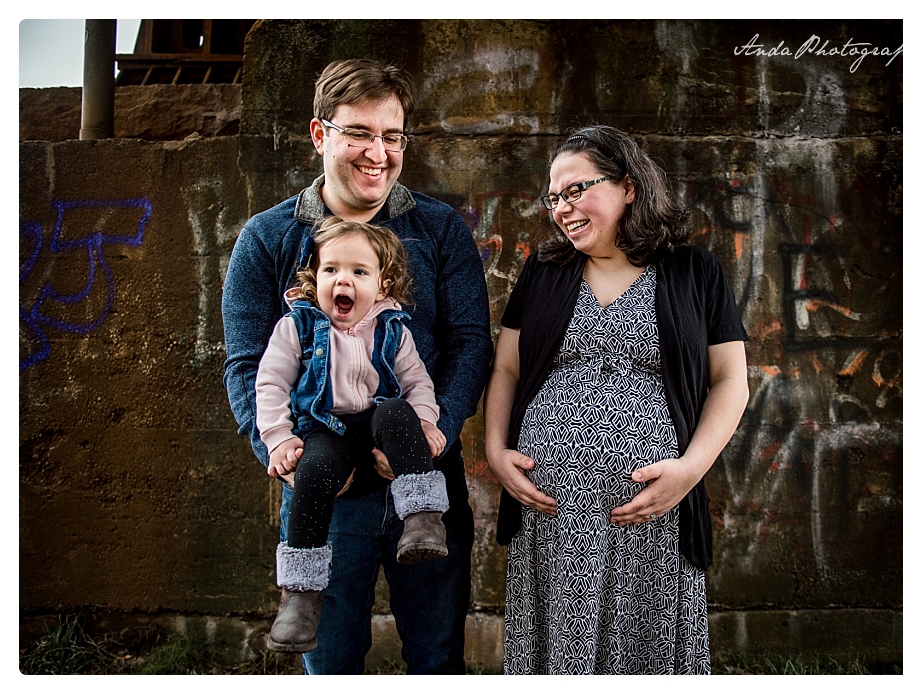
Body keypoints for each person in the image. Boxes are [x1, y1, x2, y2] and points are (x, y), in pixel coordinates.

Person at [222, 59, 492, 674]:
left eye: (392, 136)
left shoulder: (438, 229)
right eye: (360, 134)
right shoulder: (267, 237)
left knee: (437, 659)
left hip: (423, 478)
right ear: (320, 134)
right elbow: (247, 365)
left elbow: (470, 343)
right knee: (331, 661)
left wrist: (436, 431)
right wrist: (282, 455)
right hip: (326, 488)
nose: (378, 153)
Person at [485, 125, 750, 675]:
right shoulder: (544, 270)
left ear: (629, 187)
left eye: (576, 190)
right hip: (554, 514)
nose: (562, 207)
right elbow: (507, 367)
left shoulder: (693, 270)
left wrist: (690, 471)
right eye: (554, 197)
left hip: (652, 509)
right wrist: (494, 449)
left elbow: (730, 381)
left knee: (645, 647)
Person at [256, 219, 451, 653]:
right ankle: (301, 595)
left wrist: (426, 423)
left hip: (381, 426)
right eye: (331, 270)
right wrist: (278, 437)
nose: (342, 280)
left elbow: (417, 382)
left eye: (359, 272)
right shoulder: (297, 327)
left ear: (382, 286)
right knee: (312, 472)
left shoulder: (393, 329)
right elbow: (270, 382)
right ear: (315, 277)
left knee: (398, 410)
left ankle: (423, 520)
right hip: (327, 429)